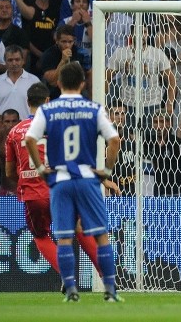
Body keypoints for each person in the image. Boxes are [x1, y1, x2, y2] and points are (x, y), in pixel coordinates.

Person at [24, 62, 123, 302]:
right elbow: (115, 140)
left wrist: (40, 169)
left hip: (61, 180)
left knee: (65, 236)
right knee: (101, 235)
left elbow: (29, 139)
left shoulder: (48, 111)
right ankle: (110, 291)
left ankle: (71, 291)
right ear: (82, 83)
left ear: (58, 83)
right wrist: (106, 170)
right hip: (88, 178)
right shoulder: (93, 109)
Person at [5, 82, 108, 287]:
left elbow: (9, 172)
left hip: (34, 194)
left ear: (27, 102)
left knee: (40, 235)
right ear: (47, 102)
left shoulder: (14, 132)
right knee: (80, 227)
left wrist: (29, 179)